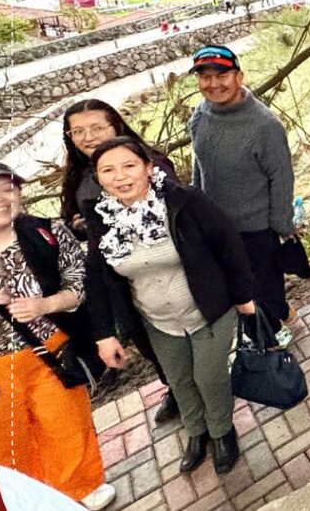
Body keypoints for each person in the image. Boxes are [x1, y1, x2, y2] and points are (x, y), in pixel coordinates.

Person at [85, 138, 257, 476]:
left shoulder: (185, 202)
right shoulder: (102, 220)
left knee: (208, 379)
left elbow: (229, 247)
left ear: (149, 168)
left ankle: (222, 431)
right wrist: (104, 334)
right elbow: (97, 280)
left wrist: (244, 298)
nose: (121, 177)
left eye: (129, 166)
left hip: (208, 310)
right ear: (99, 178)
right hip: (156, 321)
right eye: (109, 170)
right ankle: (197, 432)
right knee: (179, 380)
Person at [0, 162, 117, 511]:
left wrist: (45, 304)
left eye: (8, 189)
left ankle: (81, 487)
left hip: (49, 350)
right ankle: (29, 499)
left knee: (64, 423)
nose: (1, 200)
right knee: (5, 441)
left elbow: (80, 285)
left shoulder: (47, 233)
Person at [58, 99, 181, 425]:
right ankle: (177, 390)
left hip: (163, 272)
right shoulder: (82, 175)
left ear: (116, 126)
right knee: (145, 341)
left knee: (177, 340)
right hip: (118, 280)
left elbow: (173, 213)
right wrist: (82, 226)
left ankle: (200, 398)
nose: (87, 137)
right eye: (78, 132)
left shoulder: (148, 163)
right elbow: (74, 223)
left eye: (97, 128)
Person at [187, 45, 297, 348]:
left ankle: (272, 335)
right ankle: (274, 319)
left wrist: (282, 224)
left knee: (262, 285)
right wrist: (197, 207)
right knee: (233, 286)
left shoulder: (264, 125)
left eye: (222, 75)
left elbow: (281, 177)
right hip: (216, 225)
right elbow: (199, 163)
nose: (214, 84)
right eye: (205, 77)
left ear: (239, 76)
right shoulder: (200, 114)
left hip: (255, 227)